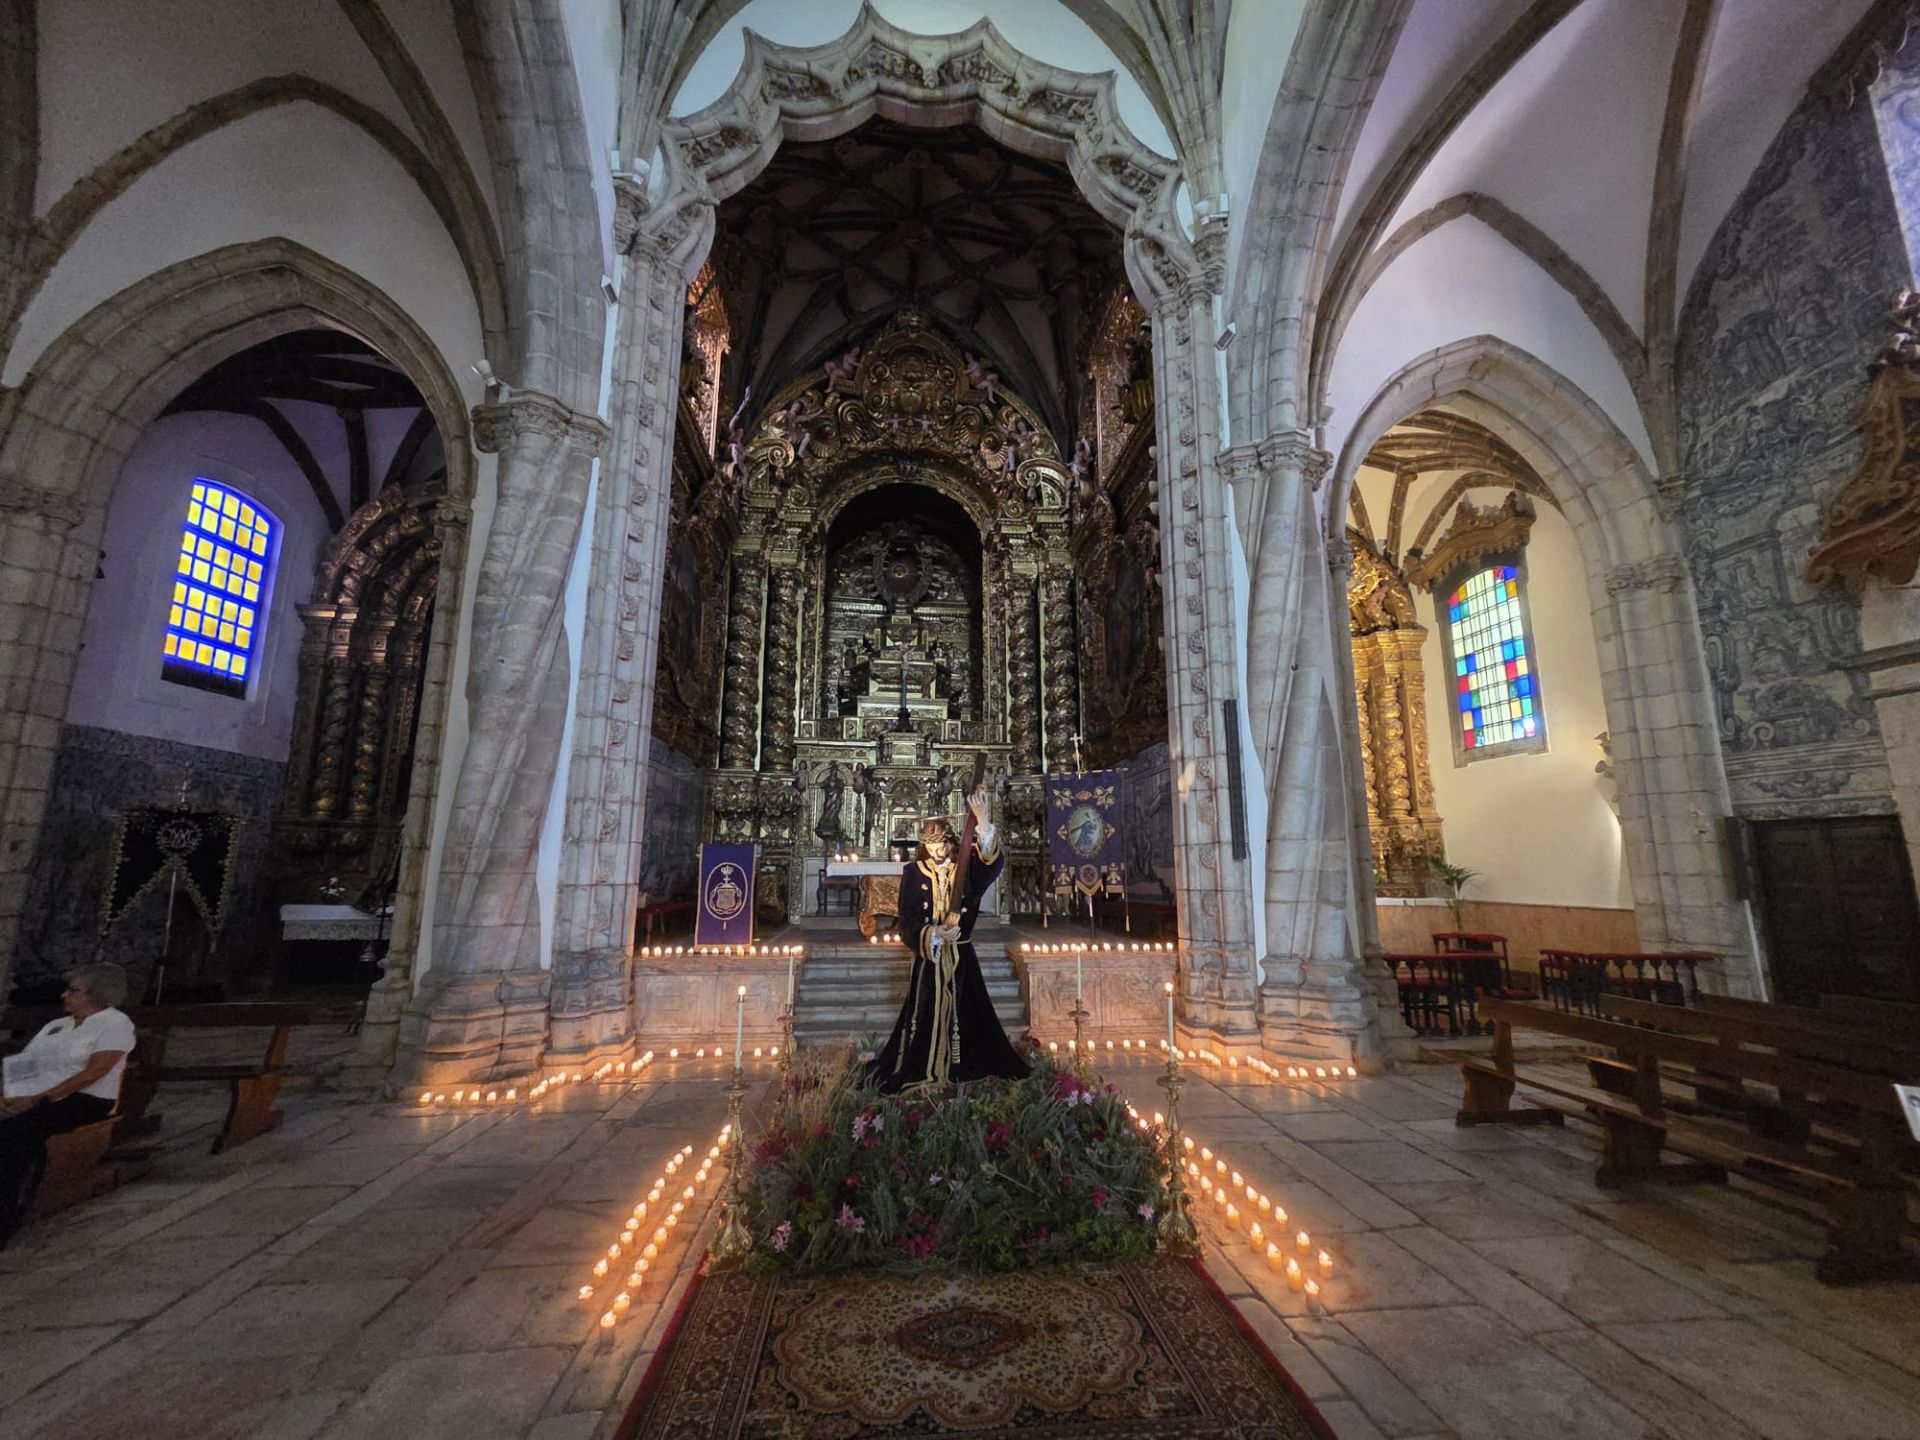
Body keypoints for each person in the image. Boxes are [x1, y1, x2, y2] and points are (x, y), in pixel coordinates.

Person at [869, 790, 1030, 1092]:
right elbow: (906, 922)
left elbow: (992, 866)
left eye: (940, 844)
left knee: (969, 1015)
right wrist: (931, 934)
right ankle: (922, 1065)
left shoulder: (965, 871)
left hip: (962, 960)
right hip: (929, 960)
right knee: (924, 1013)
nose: (936, 851)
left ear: (951, 842)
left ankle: (963, 1067)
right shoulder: (913, 873)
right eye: (929, 845)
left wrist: (983, 822)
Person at [0, 962, 137, 1247]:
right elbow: (24, 1065)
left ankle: (8, 1215)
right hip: (32, 1096)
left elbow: (95, 1071)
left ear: (97, 994)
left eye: (74, 990)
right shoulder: (56, 1026)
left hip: (83, 1099)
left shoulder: (115, 1023)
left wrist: (40, 1098)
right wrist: (5, 1094)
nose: (65, 995)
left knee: (17, 1133)